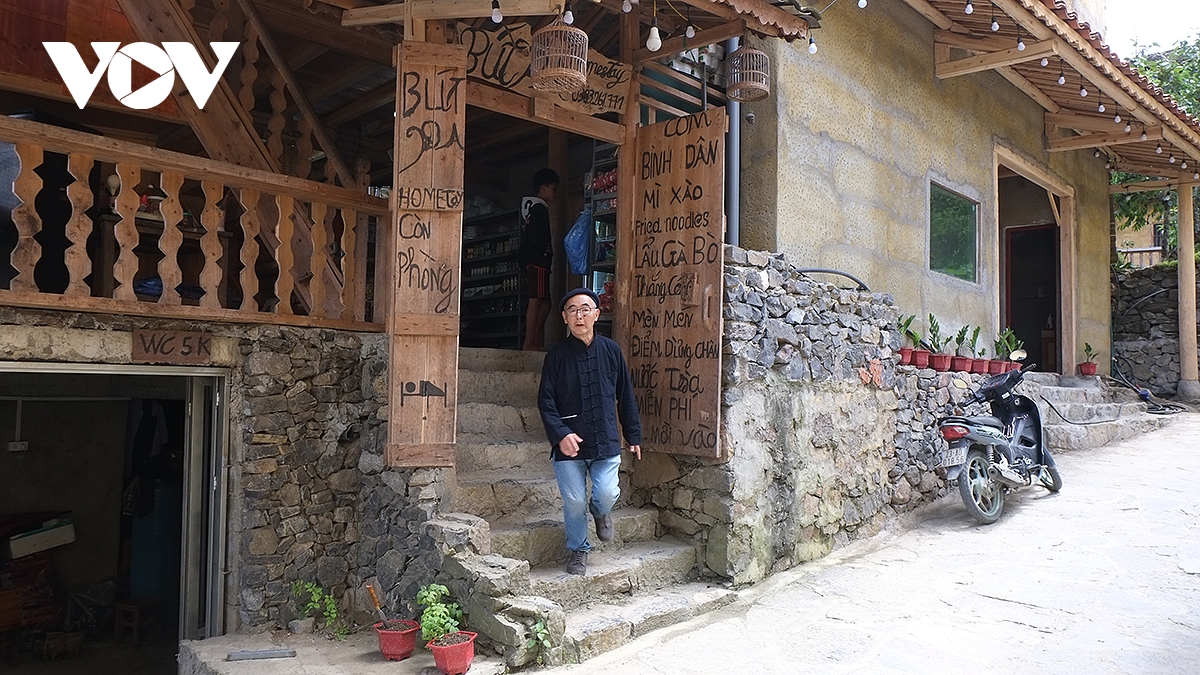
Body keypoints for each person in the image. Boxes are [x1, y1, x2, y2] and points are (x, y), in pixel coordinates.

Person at [537, 288, 642, 576]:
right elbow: (545, 402)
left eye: (585, 309)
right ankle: (578, 549)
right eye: (572, 310)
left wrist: (633, 435)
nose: (579, 315)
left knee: (606, 494)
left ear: (596, 314)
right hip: (569, 445)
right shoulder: (556, 356)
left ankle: (600, 511)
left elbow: (625, 394)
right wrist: (560, 434)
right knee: (574, 501)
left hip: (605, 438)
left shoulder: (611, 351)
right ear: (564, 318)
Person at [519, 168, 559, 351]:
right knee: (536, 299)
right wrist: (544, 250)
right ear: (543, 188)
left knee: (545, 301)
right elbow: (537, 235)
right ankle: (530, 342)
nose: (555, 193)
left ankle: (534, 340)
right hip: (538, 260)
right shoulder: (539, 209)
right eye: (553, 188)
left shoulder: (531, 208)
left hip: (533, 260)